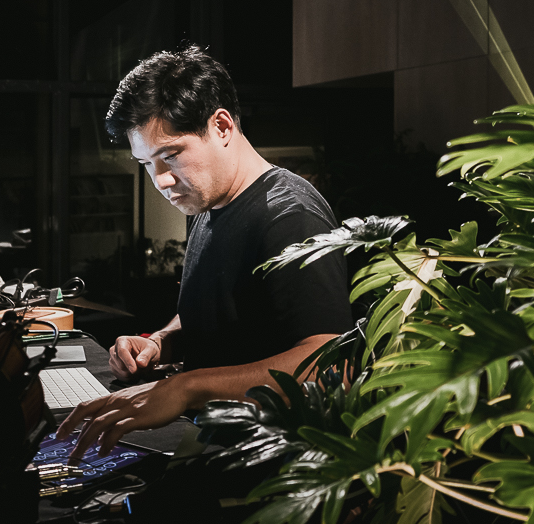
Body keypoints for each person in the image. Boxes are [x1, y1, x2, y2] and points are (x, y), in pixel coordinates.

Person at [60, 45, 351, 458]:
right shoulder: (208, 200)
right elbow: (228, 308)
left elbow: (327, 366)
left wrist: (186, 388)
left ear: (222, 126)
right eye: (147, 164)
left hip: (271, 464)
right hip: (213, 443)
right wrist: (162, 342)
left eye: (170, 155)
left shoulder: (290, 216)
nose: (161, 180)